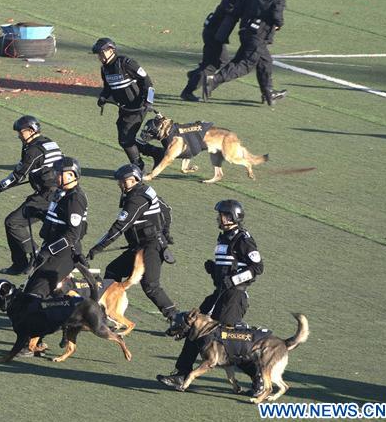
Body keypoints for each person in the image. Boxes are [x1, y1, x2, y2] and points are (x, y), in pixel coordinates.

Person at [157, 199, 265, 393]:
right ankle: (181, 374)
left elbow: (257, 268)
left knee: (228, 341)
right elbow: (229, 265)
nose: (219, 218)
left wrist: (233, 280)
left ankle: (258, 378)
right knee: (192, 329)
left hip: (234, 298)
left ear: (232, 217)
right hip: (219, 294)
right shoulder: (224, 237)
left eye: (223, 215)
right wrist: (215, 270)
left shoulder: (243, 239)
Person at [87, 164, 178, 321]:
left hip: (151, 248)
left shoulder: (137, 199)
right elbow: (166, 210)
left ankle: (177, 319)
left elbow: (119, 227)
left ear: (132, 180)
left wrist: (97, 248)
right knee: (113, 270)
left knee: (150, 286)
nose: (119, 184)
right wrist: (165, 232)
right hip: (140, 247)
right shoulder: (145, 190)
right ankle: (106, 311)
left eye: (122, 181)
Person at [0, 115, 63, 275]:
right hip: (57, 195)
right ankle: (32, 261)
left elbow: (17, 176)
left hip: (47, 196)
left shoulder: (34, 150)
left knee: (13, 222)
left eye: (21, 132)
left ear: (31, 131)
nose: (19, 135)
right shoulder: (48, 142)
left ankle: (30, 258)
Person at [204, 0, 289, 106]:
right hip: (259, 36)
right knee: (246, 65)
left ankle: (268, 92)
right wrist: (278, 25)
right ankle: (213, 80)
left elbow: (242, 7)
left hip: (246, 31)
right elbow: (277, 17)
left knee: (265, 61)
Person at [181, 0, 252, 102]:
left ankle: (194, 75)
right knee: (212, 65)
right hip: (213, 33)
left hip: (216, 34)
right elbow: (230, 10)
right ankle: (188, 90)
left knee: (220, 62)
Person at [23, 157, 87, 298]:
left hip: (62, 254)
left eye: (60, 173)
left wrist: (48, 251)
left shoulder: (75, 199)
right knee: (34, 289)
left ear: (71, 175)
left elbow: (72, 234)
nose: (56, 176)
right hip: (54, 250)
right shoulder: (62, 193)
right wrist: (37, 213)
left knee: (35, 293)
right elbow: (57, 218)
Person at [93, 37, 155, 170]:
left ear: (111, 50)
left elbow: (147, 82)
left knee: (125, 139)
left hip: (138, 107)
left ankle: (138, 167)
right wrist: (103, 97)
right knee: (125, 135)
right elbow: (108, 87)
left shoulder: (127, 63)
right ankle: (157, 153)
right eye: (98, 54)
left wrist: (148, 101)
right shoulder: (105, 69)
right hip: (124, 108)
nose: (100, 57)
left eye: (102, 53)